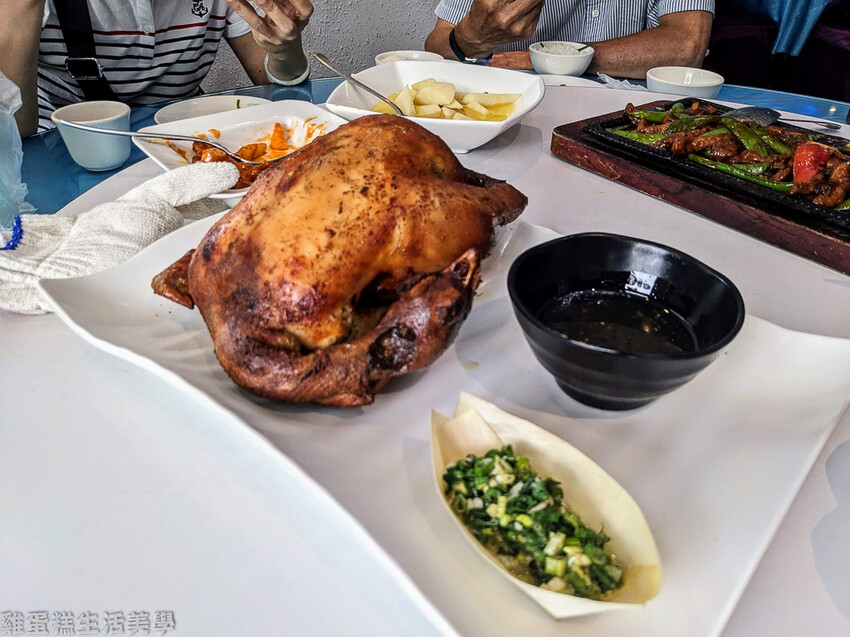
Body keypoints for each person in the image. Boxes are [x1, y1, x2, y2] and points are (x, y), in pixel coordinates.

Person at [2, 0, 313, 138]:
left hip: (183, 146)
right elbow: (14, 132)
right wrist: (19, 11)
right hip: (59, 153)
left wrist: (284, 48)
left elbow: (283, 93)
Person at [424, 0, 715, 78]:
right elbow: (437, 46)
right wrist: (470, 38)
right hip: (507, 116)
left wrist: (545, 58)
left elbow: (686, 46)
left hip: (629, 121)